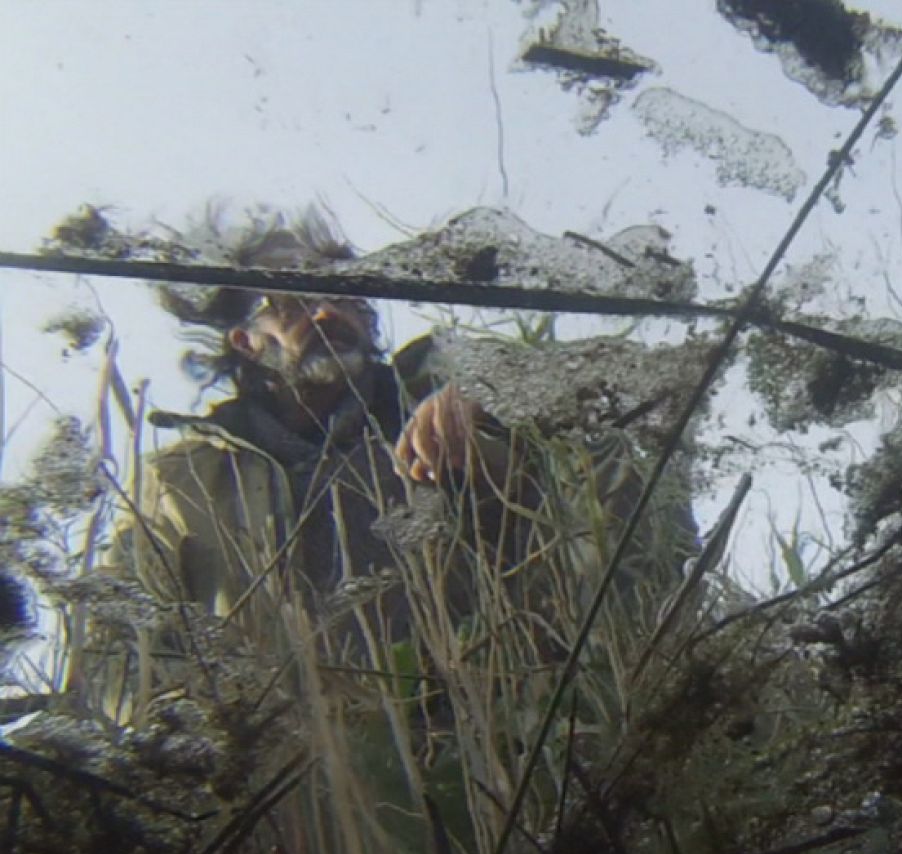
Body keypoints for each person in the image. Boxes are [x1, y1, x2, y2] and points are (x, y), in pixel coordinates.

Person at [100, 210, 692, 724]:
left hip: (471, 761)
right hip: (288, 800)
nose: (331, 310)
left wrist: (507, 415)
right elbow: (114, 654)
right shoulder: (179, 483)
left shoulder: (455, 395)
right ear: (245, 340)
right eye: (294, 297)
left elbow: (632, 506)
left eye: (346, 290)